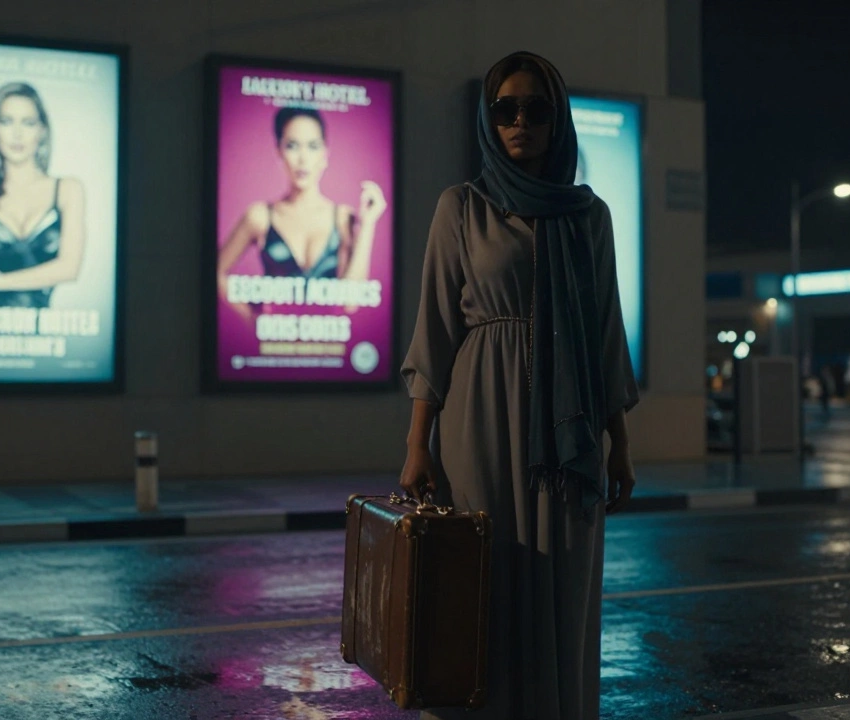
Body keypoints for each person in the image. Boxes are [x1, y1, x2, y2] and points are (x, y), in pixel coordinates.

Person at [399, 51, 638, 720]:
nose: (520, 122)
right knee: (485, 584)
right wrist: (418, 444)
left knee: (563, 584)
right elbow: (436, 334)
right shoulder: (462, 209)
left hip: (571, 428)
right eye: (505, 109)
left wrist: (619, 442)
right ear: (489, 118)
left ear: (557, 120)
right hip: (479, 418)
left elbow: (603, 334)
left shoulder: (588, 216)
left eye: (535, 108)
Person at [217, 106, 388, 322]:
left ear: (325, 155)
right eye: (292, 146)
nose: (303, 158)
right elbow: (214, 272)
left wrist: (368, 225)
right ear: (279, 151)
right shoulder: (260, 216)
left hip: (329, 350)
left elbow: (350, 302)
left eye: (313, 146)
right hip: (271, 350)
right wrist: (252, 318)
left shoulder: (342, 218)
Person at [0, 82, 86, 309]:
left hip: (41, 328)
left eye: (28, 123)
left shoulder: (68, 189)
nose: (17, 134)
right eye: (6, 121)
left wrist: (2, 282)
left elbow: (69, 268)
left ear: (42, 131)